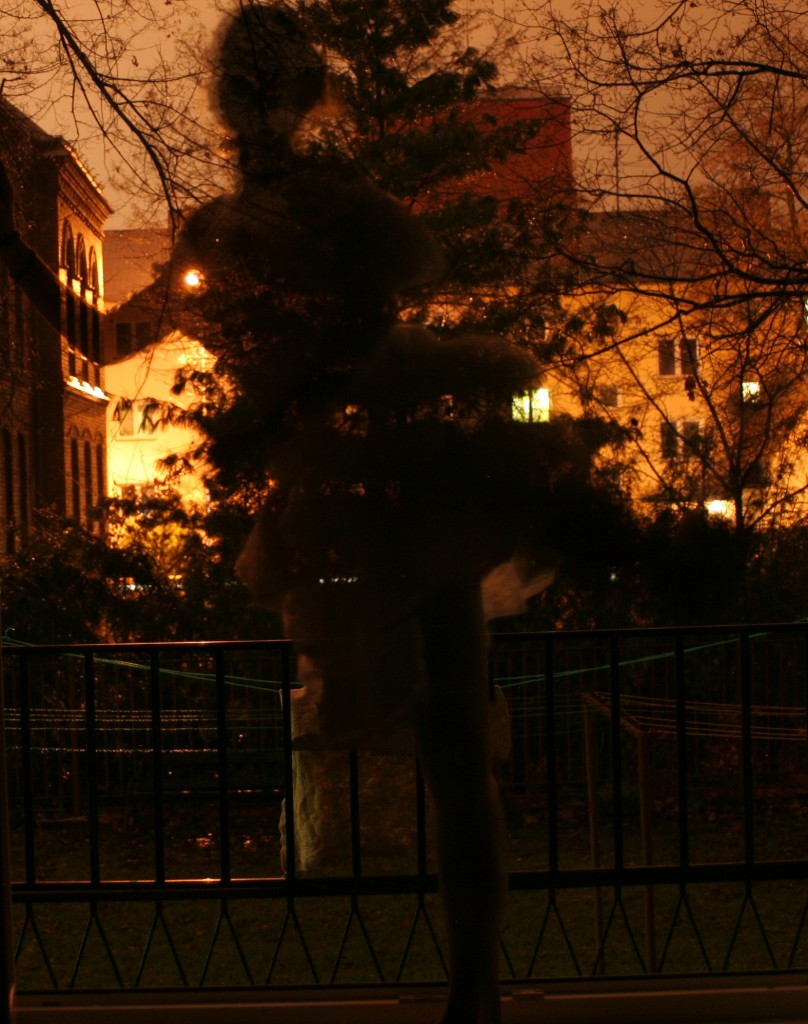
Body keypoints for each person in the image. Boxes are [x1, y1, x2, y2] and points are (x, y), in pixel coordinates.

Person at [0, 5, 575, 1020]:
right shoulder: (255, 227)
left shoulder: (264, 225)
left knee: (447, 740)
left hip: (386, 479)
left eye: (257, 89)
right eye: (252, 89)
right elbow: (114, 334)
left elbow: (118, 336)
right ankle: (475, 989)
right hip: (386, 482)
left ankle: (476, 988)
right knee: (449, 745)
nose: (253, 109)